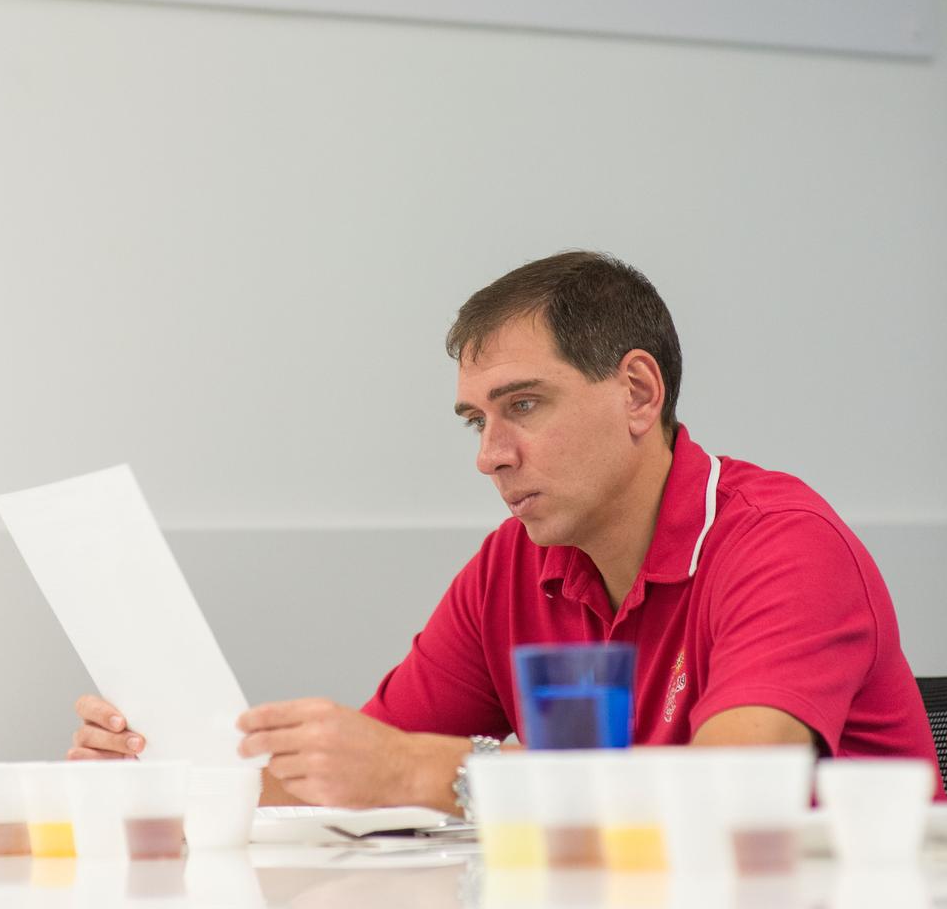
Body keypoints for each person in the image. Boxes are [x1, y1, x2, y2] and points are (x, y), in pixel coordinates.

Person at [70, 251, 941, 808]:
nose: (490, 456)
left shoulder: (782, 543)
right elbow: (361, 773)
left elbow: (734, 793)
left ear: (638, 394)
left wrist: (425, 774)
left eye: (522, 405)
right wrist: (156, 775)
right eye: (472, 421)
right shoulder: (513, 565)